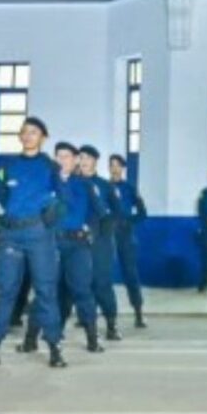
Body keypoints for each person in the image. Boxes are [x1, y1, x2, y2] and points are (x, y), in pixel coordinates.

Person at [0, 116, 66, 369]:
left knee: (46, 292)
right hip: (11, 235)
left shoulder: (50, 167)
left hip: (39, 235)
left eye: (33, 132)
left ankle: (55, 348)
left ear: (43, 137)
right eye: (24, 132)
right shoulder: (8, 166)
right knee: (6, 293)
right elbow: (2, 195)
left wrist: (51, 214)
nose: (27, 136)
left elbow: (64, 197)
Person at [53, 140, 104, 353]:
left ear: (75, 160)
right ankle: (35, 338)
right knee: (48, 291)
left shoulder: (85, 185)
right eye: (58, 156)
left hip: (77, 244)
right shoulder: (48, 182)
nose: (62, 160)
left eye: (66, 156)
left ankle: (92, 338)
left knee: (82, 290)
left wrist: (90, 231)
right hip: (51, 244)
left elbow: (98, 211)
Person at [80, 146, 123, 341]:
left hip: (101, 242)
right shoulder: (72, 183)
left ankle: (111, 325)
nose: (84, 161)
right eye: (81, 157)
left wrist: (103, 234)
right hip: (76, 242)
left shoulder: (106, 186)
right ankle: (88, 324)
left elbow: (117, 213)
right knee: (79, 284)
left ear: (95, 161)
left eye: (88, 157)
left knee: (102, 284)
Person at [106, 154, 147, 329]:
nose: (114, 168)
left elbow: (142, 212)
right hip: (106, 235)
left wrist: (129, 221)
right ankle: (90, 315)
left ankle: (138, 313)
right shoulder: (103, 187)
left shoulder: (130, 188)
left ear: (123, 168)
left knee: (131, 274)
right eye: (111, 165)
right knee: (101, 274)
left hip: (125, 235)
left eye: (117, 165)